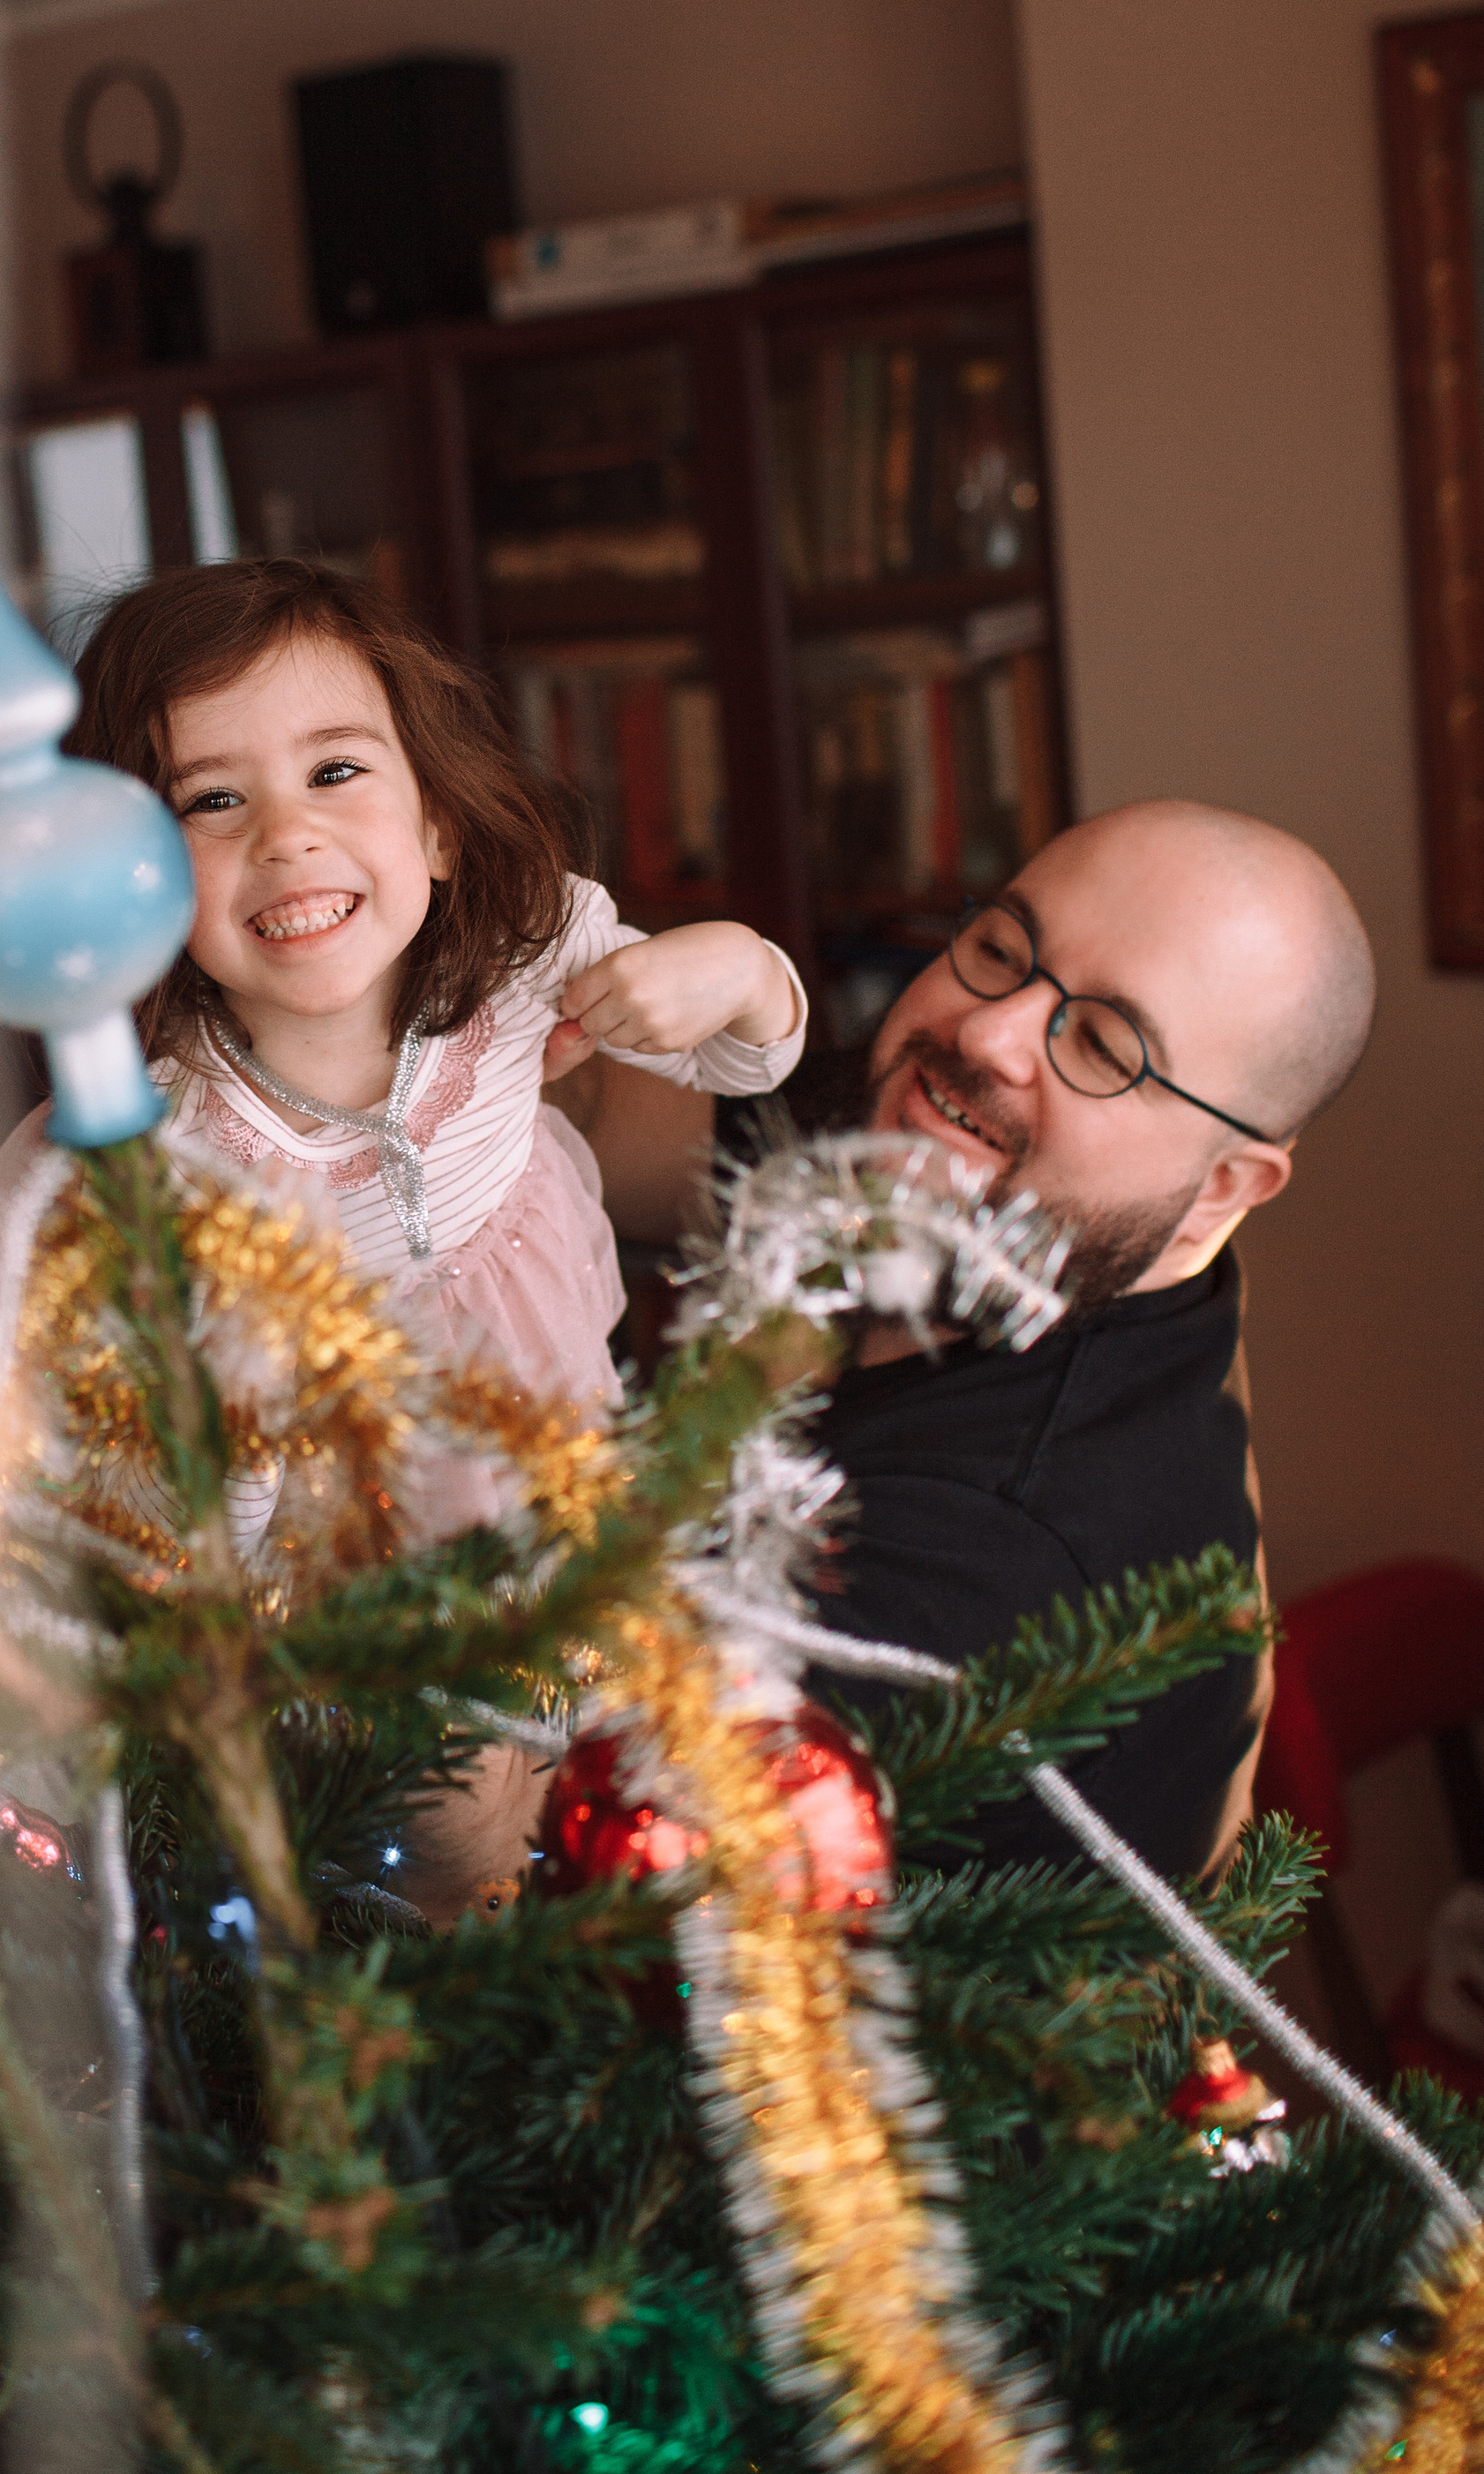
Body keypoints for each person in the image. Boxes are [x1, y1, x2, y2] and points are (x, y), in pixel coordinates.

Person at [548, 799, 1377, 1881]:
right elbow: (592, 1115)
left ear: (1221, 1186)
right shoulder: (944, 1159)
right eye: (998, 948)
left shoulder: (995, 1551)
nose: (988, 1032)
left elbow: (469, 1800)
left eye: (1101, 1045)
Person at [33, 559, 808, 1521]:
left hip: (558, 1505)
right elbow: (153, 1508)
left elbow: (747, 1062)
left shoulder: (526, 959)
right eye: (212, 801)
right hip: (343, 1594)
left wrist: (744, 968)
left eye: (334, 772)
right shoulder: (166, 1147)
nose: (286, 834)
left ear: (437, 827)